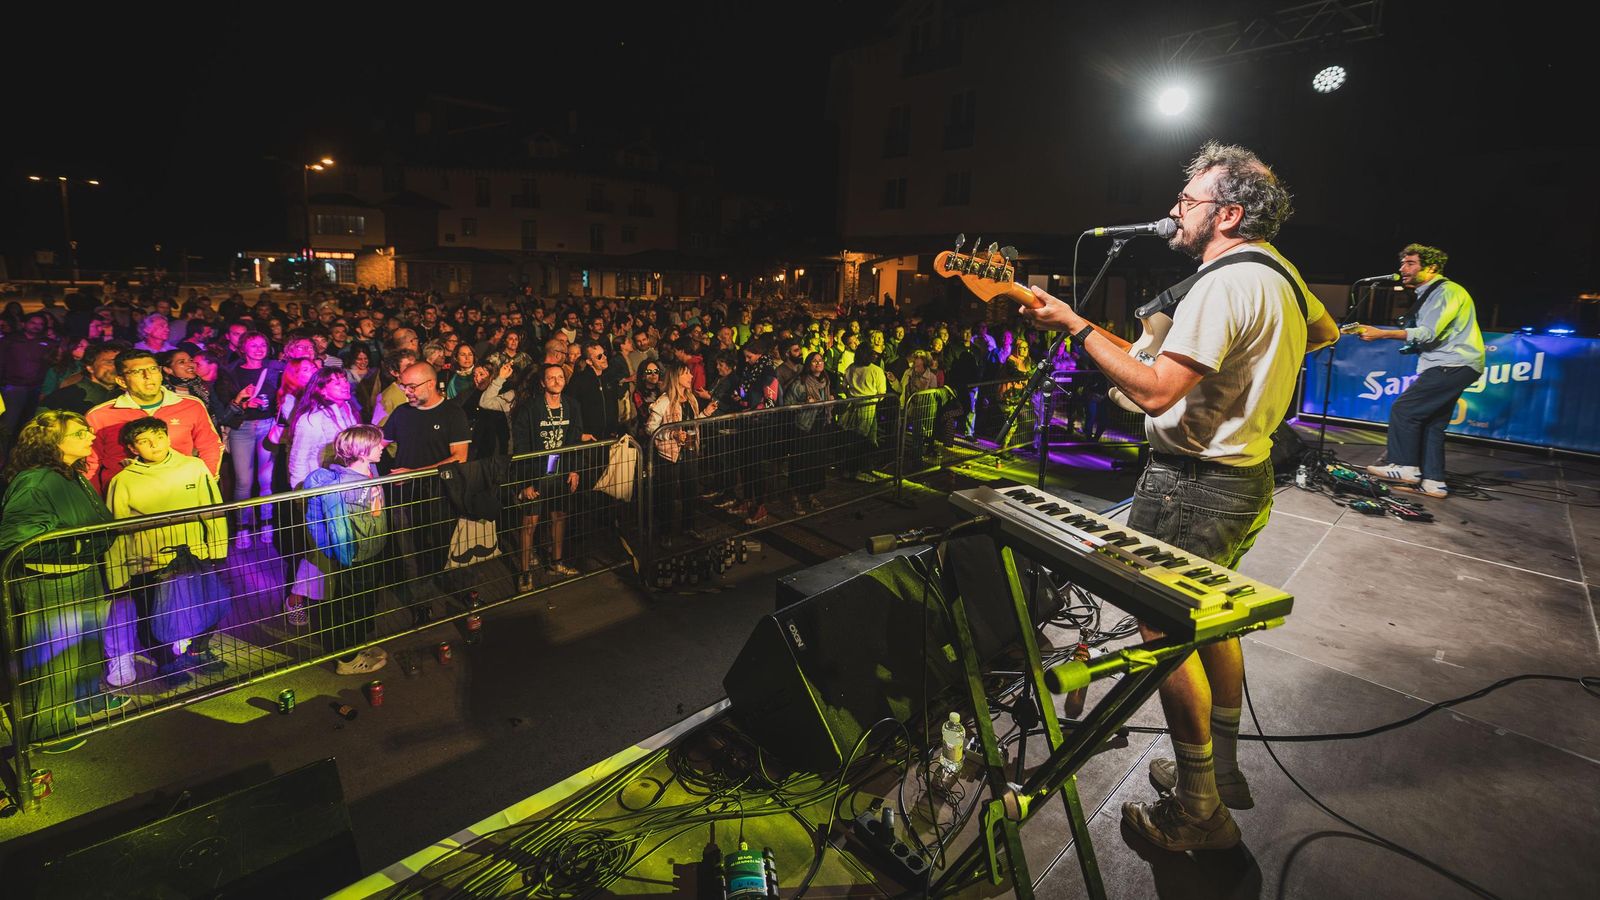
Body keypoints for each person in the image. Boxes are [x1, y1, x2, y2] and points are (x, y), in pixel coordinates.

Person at [1020, 141, 1339, 852]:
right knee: (1213, 624)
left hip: (1194, 484)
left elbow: (1157, 389)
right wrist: (1257, 373)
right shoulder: (1277, 271)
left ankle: (1198, 809)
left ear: (1229, 213)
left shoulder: (1223, 284)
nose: (1174, 212)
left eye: (1188, 202)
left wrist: (1075, 326)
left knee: (1164, 641)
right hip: (1247, 477)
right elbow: (1325, 329)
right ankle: (1219, 772)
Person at [0, 411, 119, 752]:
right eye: (80, 432)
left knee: (85, 649)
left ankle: (83, 702)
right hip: (50, 580)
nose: (91, 435)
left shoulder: (72, 474)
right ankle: (48, 729)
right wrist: (78, 543)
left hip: (82, 572)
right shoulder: (35, 482)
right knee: (55, 659)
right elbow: (16, 539)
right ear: (53, 443)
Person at [103, 416, 230, 684]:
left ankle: (199, 649)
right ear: (133, 448)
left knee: (207, 606)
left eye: (159, 436)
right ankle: (166, 662)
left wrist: (217, 550)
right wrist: (118, 573)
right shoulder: (123, 481)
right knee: (153, 616)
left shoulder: (193, 468)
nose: (155, 444)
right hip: (149, 562)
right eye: (144, 441)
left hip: (194, 555)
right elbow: (118, 531)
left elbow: (211, 509)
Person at [1355, 244, 1484, 499]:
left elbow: (1428, 333)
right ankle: (1434, 482)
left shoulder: (1444, 292)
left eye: (1411, 263)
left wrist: (1383, 333)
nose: (1403, 269)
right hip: (1458, 364)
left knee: (1404, 410)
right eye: (1403, 263)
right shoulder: (1432, 292)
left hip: (1451, 363)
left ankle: (1404, 467)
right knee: (1432, 423)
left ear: (1431, 267)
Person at [382, 361, 472, 625]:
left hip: (438, 496)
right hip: (403, 496)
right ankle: (421, 603)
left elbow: (459, 457)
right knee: (409, 553)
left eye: (411, 387)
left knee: (434, 550)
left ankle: (433, 588)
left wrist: (414, 471)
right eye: (403, 386)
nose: (406, 391)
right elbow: (382, 443)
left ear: (430, 384)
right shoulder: (401, 413)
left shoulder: (452, 414)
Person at [302, 424, 390, 676]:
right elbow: (322, 521)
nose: (381, 448)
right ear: (362, 452)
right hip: (356, 556)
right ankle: (347, 659)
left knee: (365, 601)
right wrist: (336, 551)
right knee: (351, 605)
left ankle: (357, 646)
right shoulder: (344, 485)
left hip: (373, 549)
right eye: (376, 444)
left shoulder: (371, 470)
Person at [85, 349, 224, 495]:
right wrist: (97, 504)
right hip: (128, 501)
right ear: (121, 381)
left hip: (182, 493)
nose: (148, 376)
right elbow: (90, 464)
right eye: (137, 372)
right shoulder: (100, 415)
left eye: (152, 369)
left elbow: (210, 446)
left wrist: (204, 482)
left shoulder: (191, 405)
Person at [509, 363, 584, 588]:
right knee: (529, 523)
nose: (556, 381)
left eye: (560, 377)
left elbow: (574, 440)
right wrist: (525, 483)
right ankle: (524, 571)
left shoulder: (572, 405)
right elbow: (521, 447)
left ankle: (556, 562)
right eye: (551, 378)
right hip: (536, 473)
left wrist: (574, 469)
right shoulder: (530, 408)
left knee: (559, 516)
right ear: (542, 382)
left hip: (560, 472)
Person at [645, 360, 705, 548]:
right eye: (686, 373)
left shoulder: (692, 398)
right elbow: (650, 428)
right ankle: (665, 533)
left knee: (690, 491)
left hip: (689, 450)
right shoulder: (664, 401)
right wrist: (671, 433)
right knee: (667, 495)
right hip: (669, 453)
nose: (691, 376)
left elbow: (693, 424)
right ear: (676, 378)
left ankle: (689, 526)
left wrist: (706, 414)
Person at [783, 351, 833, 513]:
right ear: (808, 364)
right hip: (804, 426)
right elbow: (788, 403)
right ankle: (795, 496)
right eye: (814, 361)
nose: (818, 363)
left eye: (820, 360)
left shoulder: (825, 381)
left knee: (815, 461)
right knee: (801, 461)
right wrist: (804, 402)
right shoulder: (801, 382)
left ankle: (811, 494)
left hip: (819, 424)